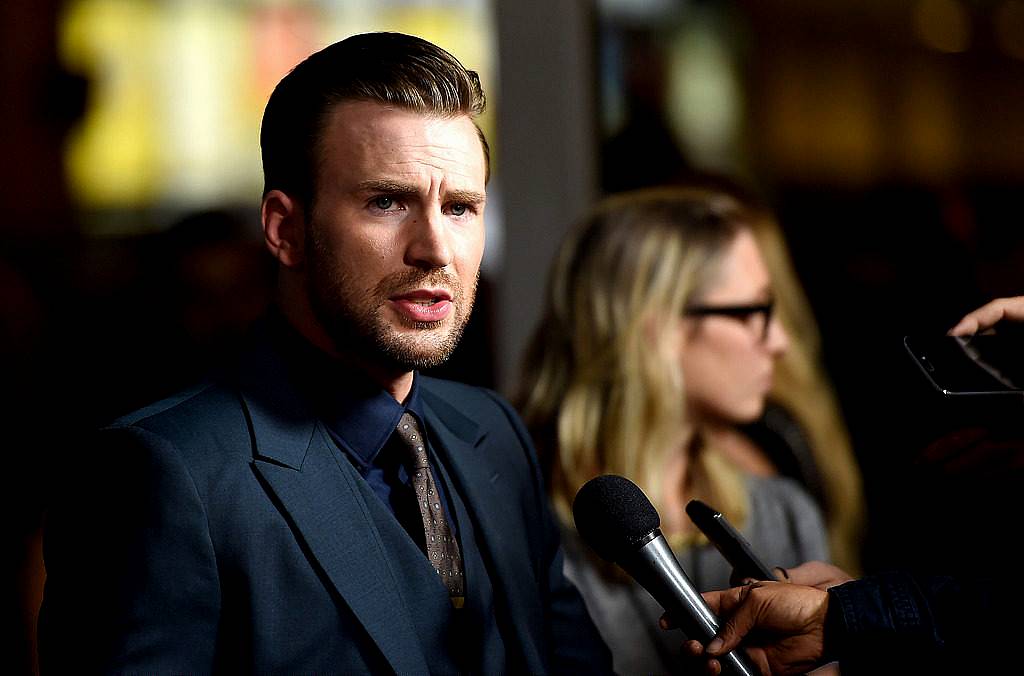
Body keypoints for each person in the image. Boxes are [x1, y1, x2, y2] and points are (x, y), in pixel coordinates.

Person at [37, 32, 612, 674]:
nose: (435, 249)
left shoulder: (493, 434)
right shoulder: (160, 474)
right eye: (387, 202)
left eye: (460, 207)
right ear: (285, 230)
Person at [516, 186, 830, 674]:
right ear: (653, 325)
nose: (780, 342)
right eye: (752, 312)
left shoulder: (784, 515)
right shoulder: (521, 531)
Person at [683, 296, 1024, 675]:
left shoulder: (781, 504)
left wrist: (844, 617)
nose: (780, 341)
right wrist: (849, 616)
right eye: (746, 313)